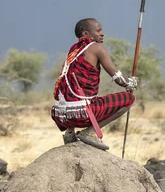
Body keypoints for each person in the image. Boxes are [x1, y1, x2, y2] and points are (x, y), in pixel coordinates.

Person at [51, 18, 138, 150]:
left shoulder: (74, 49)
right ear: (86, 34)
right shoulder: (97, 48)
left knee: (73, 91)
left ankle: (69, 133)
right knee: (129, 99)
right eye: (98, 31)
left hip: (61, 116)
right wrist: (131, 82)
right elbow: (117, 77)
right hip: (83, 114)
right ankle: (89, 132)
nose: (102, 34)